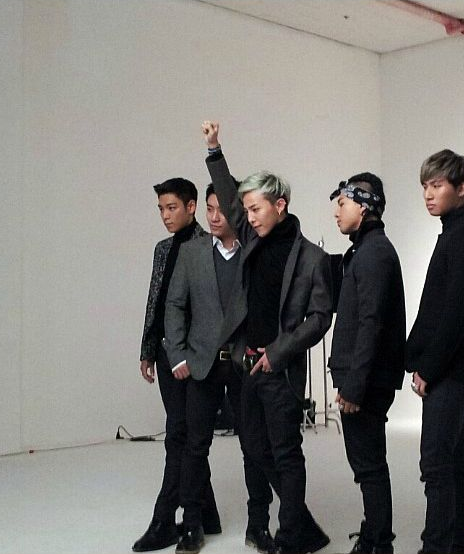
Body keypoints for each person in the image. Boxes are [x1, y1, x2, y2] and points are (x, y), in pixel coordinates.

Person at [202, 119, 333, 554]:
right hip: (248, 365)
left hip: (279, 368)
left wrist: (278, 353)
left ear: (280, 205)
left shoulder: (312, 258)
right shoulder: (253, 239)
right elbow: (229, 198)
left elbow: (320, 318)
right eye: (247, 210)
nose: (249, 217)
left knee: (286, 453)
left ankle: (292, 535)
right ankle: (305, 525)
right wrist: (215, 150)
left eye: (256, 209)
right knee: (256, 449)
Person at [164, 183, 275, 554]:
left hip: (245, 365)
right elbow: (175, 305)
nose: (213, 217)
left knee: (254, 446)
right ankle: (191, 525)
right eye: (208, 208)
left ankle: (258, 525)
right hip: (201, 365)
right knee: (195, 446)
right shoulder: (192, 252)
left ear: (237, 212)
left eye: (221, 210)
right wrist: (177, 355)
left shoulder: (255, 250)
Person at [406, 150, 464, 554]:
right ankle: (463, 543)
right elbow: (437, 309)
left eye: (437, 185)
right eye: (425, 186)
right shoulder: (456, 233)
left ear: (462, 188)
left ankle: (437, 546)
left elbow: (456, 315)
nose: (428, 194)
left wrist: (428, 369)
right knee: (455, 459)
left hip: (452, 371)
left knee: (436, 463)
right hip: (453, 368)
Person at [134, 178, 221, 552]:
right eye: (161, 209)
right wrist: (147, 349)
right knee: (183, 433)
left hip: (195, 356)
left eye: (172, 208)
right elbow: (155, 302)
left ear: (191, 207)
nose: (165, 216)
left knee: (180, 436)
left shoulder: (207, 246)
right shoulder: (163, 249)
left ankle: (165, 518)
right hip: (166, 354)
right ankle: (208, 514)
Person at [327, 174, 406, 554]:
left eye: (342, 204)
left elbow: (371, 323)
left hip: (366, 382)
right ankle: (376, 537)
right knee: (368, 464)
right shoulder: (366, 250)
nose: (336, 213)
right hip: (364, 378)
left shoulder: (374, 253)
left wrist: (355, 386)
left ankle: (378, 543)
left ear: (363, 206)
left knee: (369, 466)